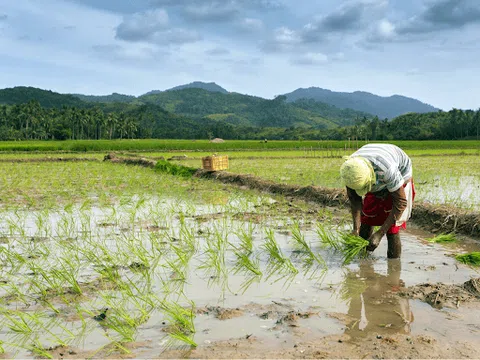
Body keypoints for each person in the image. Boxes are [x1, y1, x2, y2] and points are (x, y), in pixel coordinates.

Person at [340, 144, 415, 258]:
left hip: (400, 177)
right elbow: (355, 200)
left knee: (391, 229)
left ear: (370, 179)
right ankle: (363, 262)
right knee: (367, 217)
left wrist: (380, 233)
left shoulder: (388, 170)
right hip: (374, 174)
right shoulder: (350, 171)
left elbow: (400, 202)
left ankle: (393, 267)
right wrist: (356, 229)